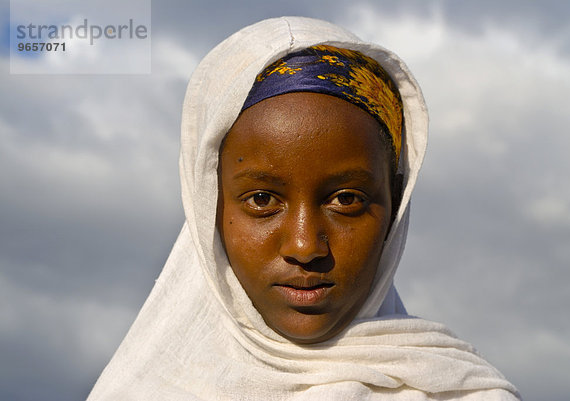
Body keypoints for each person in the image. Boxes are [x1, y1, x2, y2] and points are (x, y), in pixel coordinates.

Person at [87, 17, 521, 400]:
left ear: (395, 205)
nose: (304, 246)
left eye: (347, 200)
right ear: (208, 205)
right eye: (262, 200)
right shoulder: (140, 390)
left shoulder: (452, 391)